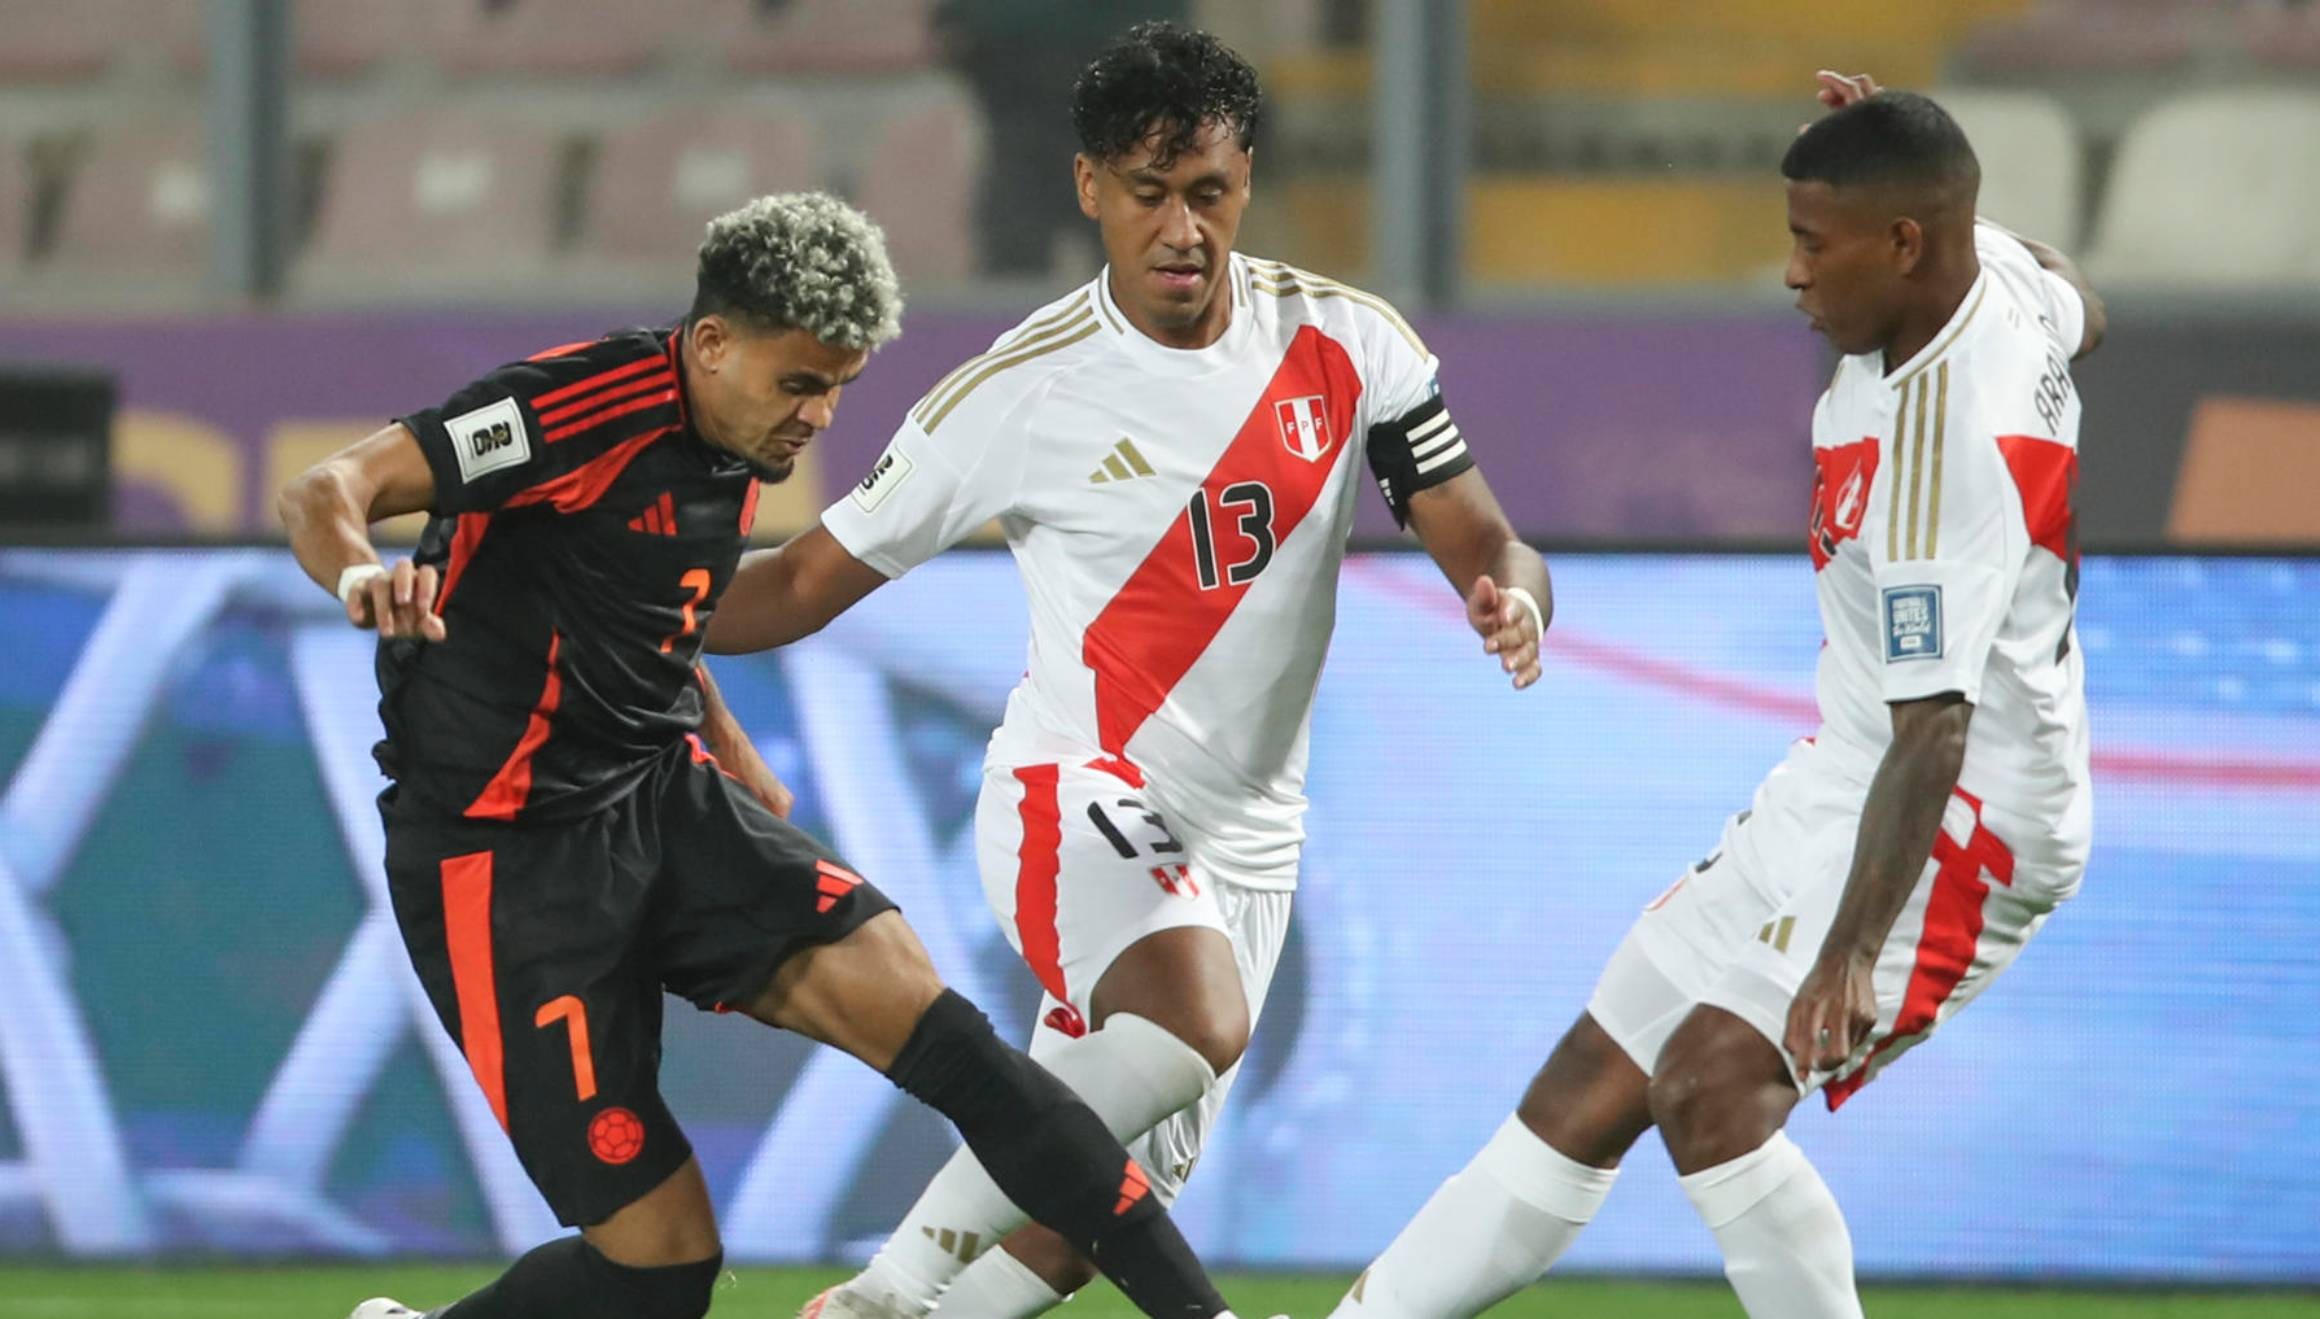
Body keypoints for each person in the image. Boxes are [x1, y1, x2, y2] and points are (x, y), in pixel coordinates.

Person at [277, 191, 1257, 1319]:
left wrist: (727, 741)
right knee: (661, 1271)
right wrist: (360, 573)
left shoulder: (734, 432)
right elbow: (329, 488)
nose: (819, 416)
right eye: (800, 383)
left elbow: (646, 613)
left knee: (963, 1053)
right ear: (709, 342)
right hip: (501, 863)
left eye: (838, 385)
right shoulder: (575, 408)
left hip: (660, 798)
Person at [701, 23, 1552, 1319]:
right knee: (1193, 1018)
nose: (1181, 228)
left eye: (1207, 192)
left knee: (1086, 1206)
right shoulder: (1020, 391)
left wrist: (1512, 595)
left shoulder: (1346, 345)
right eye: (1148, 193)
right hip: (1075, 791)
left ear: (1245, 181)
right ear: (1089, 186)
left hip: (1252, 842)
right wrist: (612, 593)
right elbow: (799, 584)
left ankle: (885, 1311)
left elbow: (1480, 526)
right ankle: (894, 1282)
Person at [1328, 74, 2106, 1319]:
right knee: (1596, 1076)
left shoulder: (1941, 448)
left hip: (1966, 810)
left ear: (1905, 244)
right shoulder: (1992, 281)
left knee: (1710, 1087)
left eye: (1812, 242)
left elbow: (1937, 726)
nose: (1791, 272)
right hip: (1854, 764)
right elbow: (2081, 308)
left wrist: (1848, 953)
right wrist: (1898, 145)